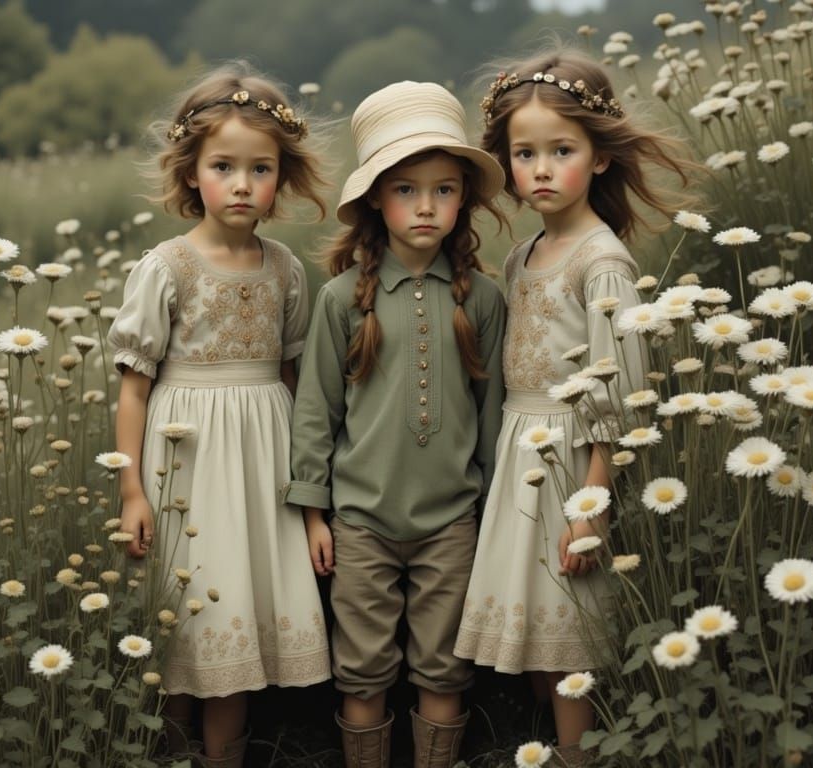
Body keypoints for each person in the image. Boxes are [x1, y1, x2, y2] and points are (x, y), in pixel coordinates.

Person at [453, 47, 696, 766]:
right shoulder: (525, 254)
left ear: (598, 157)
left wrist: (593, 495)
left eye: (561, 150)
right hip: (519, 449)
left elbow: (618, 388)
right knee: (530, 630)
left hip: (570, 458)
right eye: (524, 153)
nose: (540, 168)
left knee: (568, 628)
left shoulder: (602, 260)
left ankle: (577, 754)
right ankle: (548, 745)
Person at [107, 62, 331, 768]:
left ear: (281, 177)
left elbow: (296, 383)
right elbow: (134, 387)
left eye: (260, 168)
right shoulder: (167, 267)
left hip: (263, 464)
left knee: (239, 612)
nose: (242, 184)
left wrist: (311, 501)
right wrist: (133, 490)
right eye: (223, 166)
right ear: (190, 172)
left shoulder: (284, 269)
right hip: (188, 467)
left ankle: (225, 755)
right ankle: (173, 750)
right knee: (187, 620)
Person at [286, 81, 507, 768]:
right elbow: (316, 411)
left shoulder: (485, 299)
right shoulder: (337, 300)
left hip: (453, 521)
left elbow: (493, 412)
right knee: (363, 670)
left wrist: (496, 508)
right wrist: (314, 514)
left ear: (462, 199)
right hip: (359, 521)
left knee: (443, 669)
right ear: (376, 198)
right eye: (407, 189)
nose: (426, 206)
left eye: (444, 190)